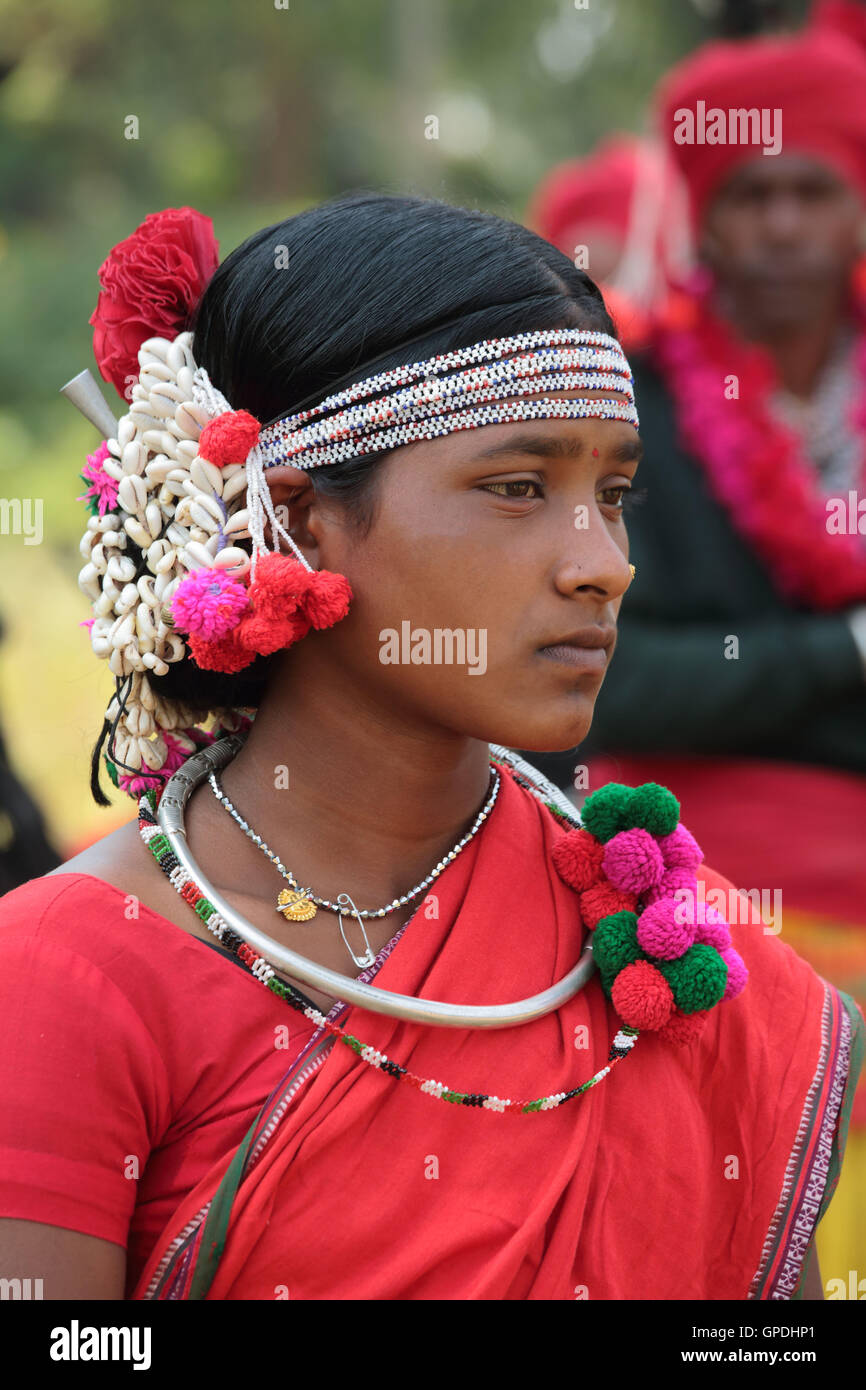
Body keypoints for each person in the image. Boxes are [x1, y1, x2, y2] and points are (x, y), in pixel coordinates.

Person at [0, 195, 860, 1301]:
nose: (601, 564)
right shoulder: (73, 970)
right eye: (516, 488)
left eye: (612, 495)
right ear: (300, 519)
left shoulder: (676, 960)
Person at [526, 22, 866, 1279]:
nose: (779, 225)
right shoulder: (628, 403)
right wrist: (841, 652)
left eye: (811, 190)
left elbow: (680, 666)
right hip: (675, 861)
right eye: (749, 195)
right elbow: (606, 671)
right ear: (702, 220)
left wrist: (744, 679)